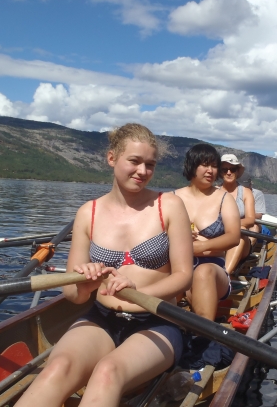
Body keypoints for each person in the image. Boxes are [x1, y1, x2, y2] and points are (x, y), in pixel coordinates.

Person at [16, 123, 193, 407]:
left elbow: (184, 276)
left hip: (157, 322)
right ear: (112, 159)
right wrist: (83, 282)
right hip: (102, 318)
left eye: (150, 164)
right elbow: (74, 296)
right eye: (134, 161)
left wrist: (140, 293)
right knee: (56, 368)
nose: (142, 171)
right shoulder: (88, 213)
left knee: (107, 373)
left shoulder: (169, 205)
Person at [174, 144, 241, 321]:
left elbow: (234, 237)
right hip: (178, 265)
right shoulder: (172, 198)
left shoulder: (224, 199)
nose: (210, 170)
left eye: (213, 165)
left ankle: (204, 336)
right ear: (192, 166)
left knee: (203, 272)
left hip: (212, 268)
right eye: (204, 164)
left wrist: (200, 247)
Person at [219, 154, 257, 274]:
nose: (229, 172)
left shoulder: (246, 192)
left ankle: (225, 275)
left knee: (239, 232)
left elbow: (250, 219)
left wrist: (230, 226)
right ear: (220, 172)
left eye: (232, 169)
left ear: (237, 172)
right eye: (225, 170)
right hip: (219, 238)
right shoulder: (214, 191)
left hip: (242, 240)